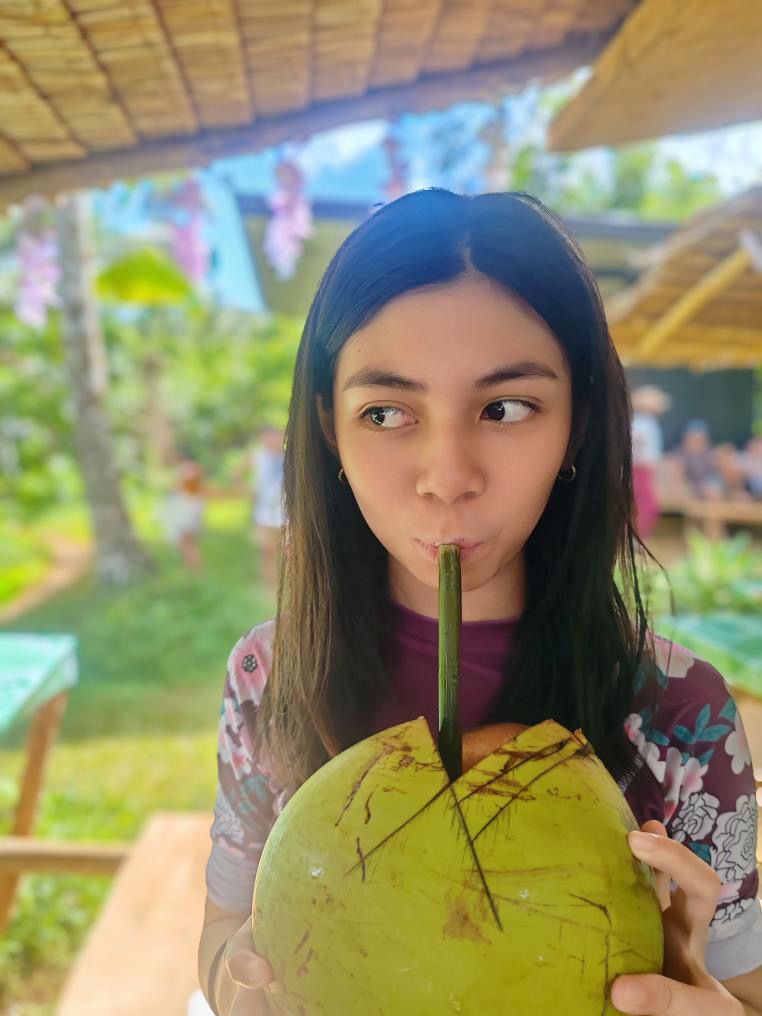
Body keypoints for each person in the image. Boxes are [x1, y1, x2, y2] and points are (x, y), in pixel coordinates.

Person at [198, 191, 761, 1016]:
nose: (447, 476)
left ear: (575, 422)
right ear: (329, 427)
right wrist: (250, 991)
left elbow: (746, 993)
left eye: (506, 407)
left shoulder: (684, 713)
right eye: (386, 411)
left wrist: (700, 998)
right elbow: (221, 930)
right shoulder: (270, 672)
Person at [247, 425, 286, 596]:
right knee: (267, 552)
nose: (272, 441)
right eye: (268, 437)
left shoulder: (290, 457)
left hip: (286, 514)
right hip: (263, 514)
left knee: (290, 553)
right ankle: (270, 589)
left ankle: (290, 588)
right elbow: (236, 474)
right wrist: (248, 490)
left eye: (275, 437)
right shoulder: (258, 458)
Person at [631, 385, 670, 540]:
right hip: (640, 468)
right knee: (645, 504)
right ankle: (637, 536)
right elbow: (637, 442)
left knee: (642, 503)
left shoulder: (644, 422)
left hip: (643, 468)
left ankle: (637, 536)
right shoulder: (643, 422)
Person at [160, 453, 206, 570]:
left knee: (188, 543)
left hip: (188, 508)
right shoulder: (192, 470)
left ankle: (195, 570)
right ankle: (190, 569)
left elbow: (188, 488)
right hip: (189, 507)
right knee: (186, 543)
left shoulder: (188, 470)